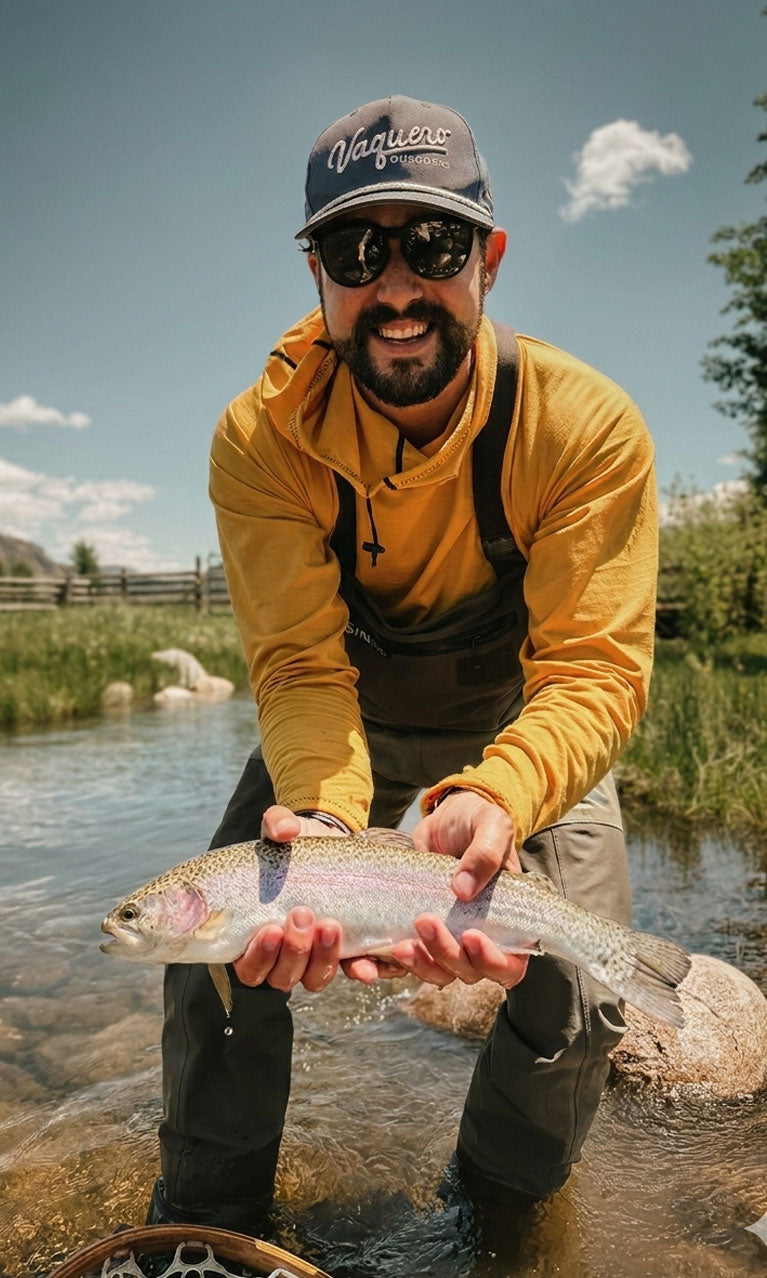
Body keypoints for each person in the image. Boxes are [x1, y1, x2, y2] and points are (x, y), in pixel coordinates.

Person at [147, 95, 658, 1237]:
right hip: (341, 725)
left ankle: (493, 1228)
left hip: (525, 723)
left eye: (431, 246)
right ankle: (207, 1225)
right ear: (316, 275)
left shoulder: (582, 427)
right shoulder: (261, 438)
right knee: (216, 959)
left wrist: (499, 792)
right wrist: (329, 833)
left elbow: (591, 671)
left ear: (489, 260)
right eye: (352, 252)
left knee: (581, 986)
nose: (394, 290)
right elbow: (298, 668)